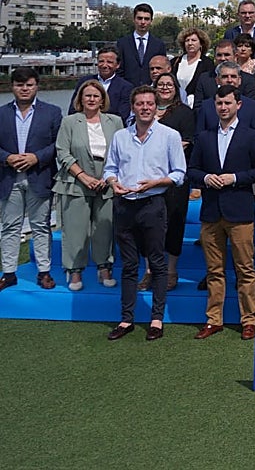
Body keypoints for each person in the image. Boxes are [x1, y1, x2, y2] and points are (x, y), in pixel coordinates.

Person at [103, 85, 187, 341]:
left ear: (156, 107)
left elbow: (179, 174)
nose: (145, 108)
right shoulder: (120, 136)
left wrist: (157, 182)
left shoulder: (170, 136)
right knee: (128, 265)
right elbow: (109, 168)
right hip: (125, 205)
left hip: (153, 205)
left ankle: (156, 319)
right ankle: (126, 319)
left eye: (149, 103)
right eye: (140, 104)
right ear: (133, 107)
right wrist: (112, 182)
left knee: (157, 264)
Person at [186, 86, 255, 340]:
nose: (223, 107)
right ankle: (214, 319)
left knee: (245, 269)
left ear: (238, 105)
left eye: (228, 103)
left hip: (240, 210)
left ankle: (249, 319)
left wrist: (235, 178)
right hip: (211, 212)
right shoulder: (204, 137)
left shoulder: (251, 136)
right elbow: (192, 169)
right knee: (214, 270)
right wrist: (206, 177)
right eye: (219, 103)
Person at [53, 80, 123, 291]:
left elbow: (122, 151)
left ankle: (104, 268)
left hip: (107, 182)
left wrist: (109, 178)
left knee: (105, 227)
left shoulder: (116, 121)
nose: (91, 99)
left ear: (103, 99)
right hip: (76, 181)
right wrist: (83, 176)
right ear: (80, 99)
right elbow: (62, 152)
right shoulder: (69, 122)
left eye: (96, 96)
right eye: (87, 96)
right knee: (76, 229)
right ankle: (74, 271)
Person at [0, 68, 64, 291]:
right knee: (9, 227)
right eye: (19, 85)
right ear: (12, 87)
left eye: (29, 84)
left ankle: (43, 272)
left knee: (41, 226)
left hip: (40, 176)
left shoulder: (53, 112)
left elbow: (59, 145)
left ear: (37, 86)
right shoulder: (1, 113)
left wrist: (36, 157)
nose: (24, 89)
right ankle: (8, 273)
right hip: (9, 178)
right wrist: (7, 158)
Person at [150, 73, 195, 292]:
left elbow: (185, 142)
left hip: (174, 177)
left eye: (169, 84)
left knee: (174, 223)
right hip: (147, 177)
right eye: (161, 84)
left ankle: (170, 270)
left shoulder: (184, 113)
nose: (165, 88)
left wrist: (156, 155)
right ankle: (150, 270)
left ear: (176, 88)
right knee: (149, 225)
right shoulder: (146, 109)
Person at [71, 45, 133, 120]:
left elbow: (122, 115)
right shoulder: (84, 82)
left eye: (109, 62)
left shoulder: (126, 87)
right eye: (101, 61)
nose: (104, 65)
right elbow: (74, 108)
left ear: (118, 65)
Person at [116, 3, 167, 86]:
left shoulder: (158, 45)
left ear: (151, 21)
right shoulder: (122, 43)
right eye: (139, 18)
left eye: (146, 19)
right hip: (128, 91)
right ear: (134, 19)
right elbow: (119, 69)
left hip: (151, 91)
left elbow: (162, 70)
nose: (143, 22)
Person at [171, 27, 213, 108]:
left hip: (196, 107)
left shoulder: (207, 64)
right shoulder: (175, 62)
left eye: (193, 40)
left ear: (201, 43)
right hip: (175, 106)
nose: (190, 43)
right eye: (187, 40)